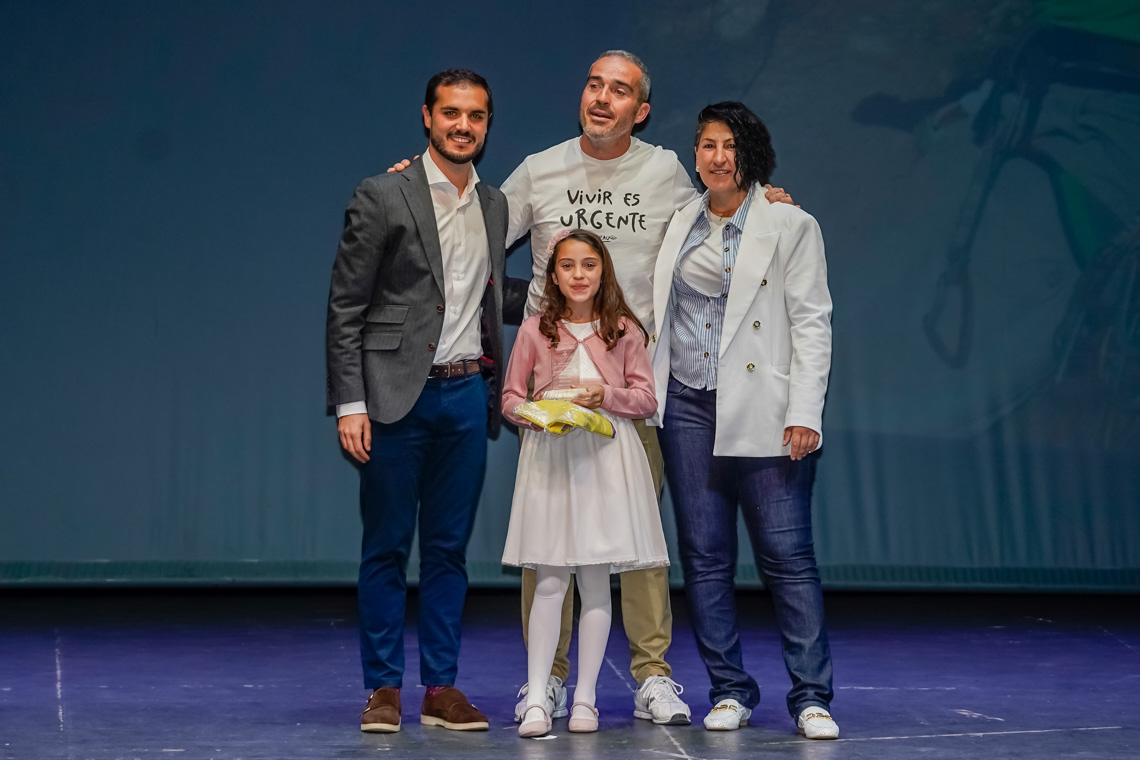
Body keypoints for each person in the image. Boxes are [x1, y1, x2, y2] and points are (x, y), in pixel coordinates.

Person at [388, 50, 795, 725]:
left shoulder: (665, 170)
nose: (602, 99)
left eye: (620, 91)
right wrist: (414, 185)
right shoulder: (541, 172)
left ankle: (652, 675)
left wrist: (766, 202)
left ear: (641, 109)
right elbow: (468, 228)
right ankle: (543, 680)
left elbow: (722, 210)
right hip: (550, 405)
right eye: (594, 85)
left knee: (635, 543)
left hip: (632, 392)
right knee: (550, 546)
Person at [325, 69, 514, 734]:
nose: (464, 125)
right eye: (452, 113)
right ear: (428, 117)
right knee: (384, 547)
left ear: (487, 125)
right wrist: (350, 403)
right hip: (391, 400)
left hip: (466, 396)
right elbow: (346, 306)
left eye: (477, 115)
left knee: (448, 551)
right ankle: (382, 689)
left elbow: (487, 295)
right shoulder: (383, 194)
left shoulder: (493, 204)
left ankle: (440, 687)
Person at [648, 102, 838, 738]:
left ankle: (811, 696)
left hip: (765, 409)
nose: (718, 157)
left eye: (730, 146)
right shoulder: (680, 220)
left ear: (750, 153)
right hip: (689, 405)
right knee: (704, 557)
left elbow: (813, 321)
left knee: (787, 557)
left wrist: (805, 409)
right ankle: (729, 689)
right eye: (706, 145)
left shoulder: (789, 223)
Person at [501, 229, 668, 737]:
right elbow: (509, 397)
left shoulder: (623, 330)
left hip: (606, 462)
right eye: (568, 266)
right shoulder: (535, 330)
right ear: (553, 275)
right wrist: (537, 414)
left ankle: (587, 700)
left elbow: (646, 399)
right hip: (551, 460)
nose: (579, 275)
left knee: (597, 580)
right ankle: (537, 696)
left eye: (589, 265)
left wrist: (606, 394)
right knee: (550, 579)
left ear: (604, 272)